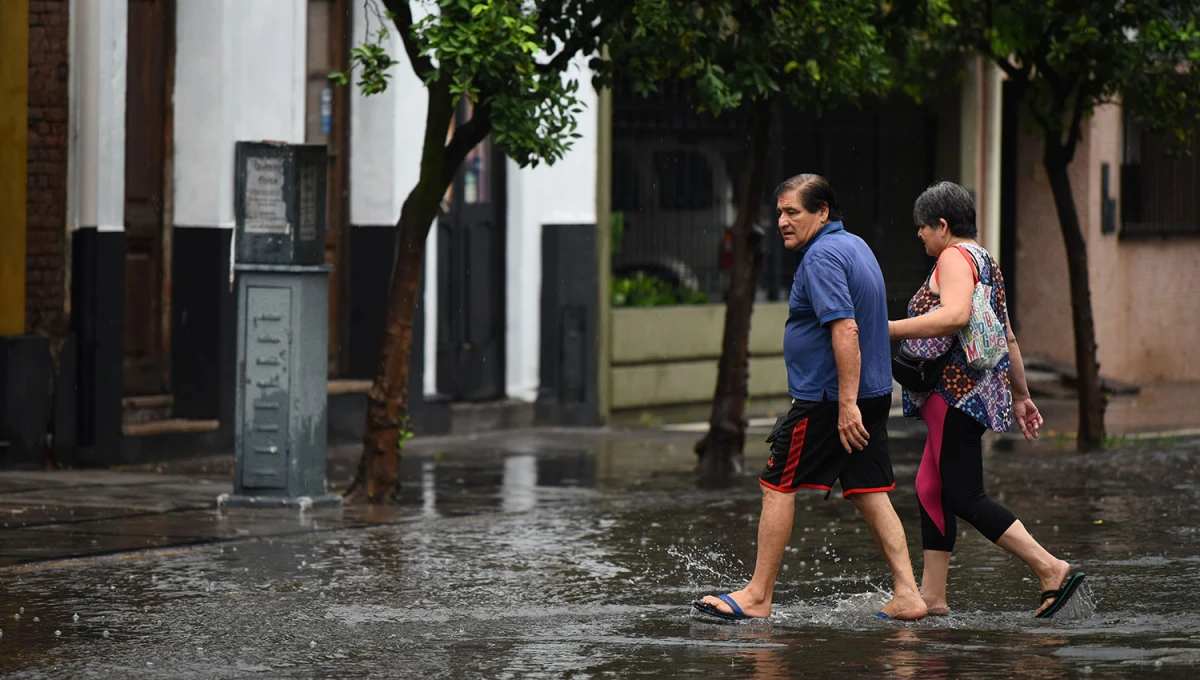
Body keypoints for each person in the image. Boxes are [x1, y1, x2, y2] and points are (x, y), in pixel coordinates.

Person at [693, 174, 928, 622]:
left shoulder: (820, 257)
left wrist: (844, 404)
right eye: (779, 212)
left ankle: (758, 596)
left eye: (792, 212)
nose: (782, 220)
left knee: (776, 485)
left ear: (822, 213)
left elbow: (846, 328)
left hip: (829, 399)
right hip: (873, 394)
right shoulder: (855, 245)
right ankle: (909, 593)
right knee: (868, 491)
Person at [888, 181, 1084, 618]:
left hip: (955, 393)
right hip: (976, 392)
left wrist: (887, 328)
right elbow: (1007, 335)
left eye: (923, 227)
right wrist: (1021, 395)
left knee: (963, 495)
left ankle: (1050, 568)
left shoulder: (954, 257)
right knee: (930, 487)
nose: (919, 235)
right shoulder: (985, 260)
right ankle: (932, 597)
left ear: (942, 225)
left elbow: (955, 315)